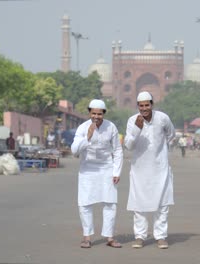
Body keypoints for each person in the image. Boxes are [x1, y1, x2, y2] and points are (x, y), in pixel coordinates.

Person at [124, 91, 175, 249]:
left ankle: (160, 236)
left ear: (152, 104)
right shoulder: (132, 121)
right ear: (137, 106)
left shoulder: (163, 118)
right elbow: (128, 145)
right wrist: (137, 130)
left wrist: (162, 153)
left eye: (147, 105)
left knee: (162, 204)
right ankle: (140, 236)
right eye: (141, 106)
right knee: (139, 204)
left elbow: (171, 134)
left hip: (160, 168)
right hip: (140, 169)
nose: (144, 108)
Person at [71, 99, 123, 249]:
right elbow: (74, 151)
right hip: (87, 170)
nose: (96, 117)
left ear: (104, 114)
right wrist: (87, 136)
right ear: (89, 113)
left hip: (106, 168)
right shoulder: (82, 128)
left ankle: (109, 237)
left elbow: (118, 150)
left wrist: (116, 171)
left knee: (110, 203)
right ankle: (87, 237)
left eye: (99, 114)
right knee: (85, 203)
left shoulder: (111, 127)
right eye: (93, 113)